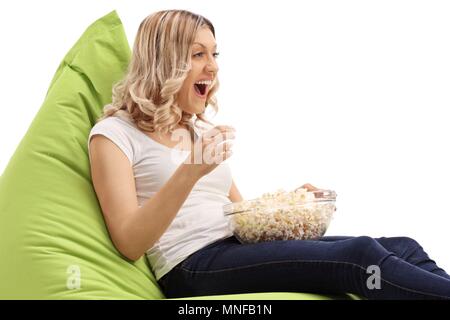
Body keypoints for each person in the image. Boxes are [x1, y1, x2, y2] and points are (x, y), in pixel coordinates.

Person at [87, 9, 450, 300]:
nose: (212, 67)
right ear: (164, 63)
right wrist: (191, 169)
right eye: (198, 54)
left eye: (214, 54)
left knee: (402, 246)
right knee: (359, 259)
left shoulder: (196, 130)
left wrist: (294, 207)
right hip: (191, 265)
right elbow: (129, 241)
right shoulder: (114, 135)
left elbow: (241, 218)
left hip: (232, 248)